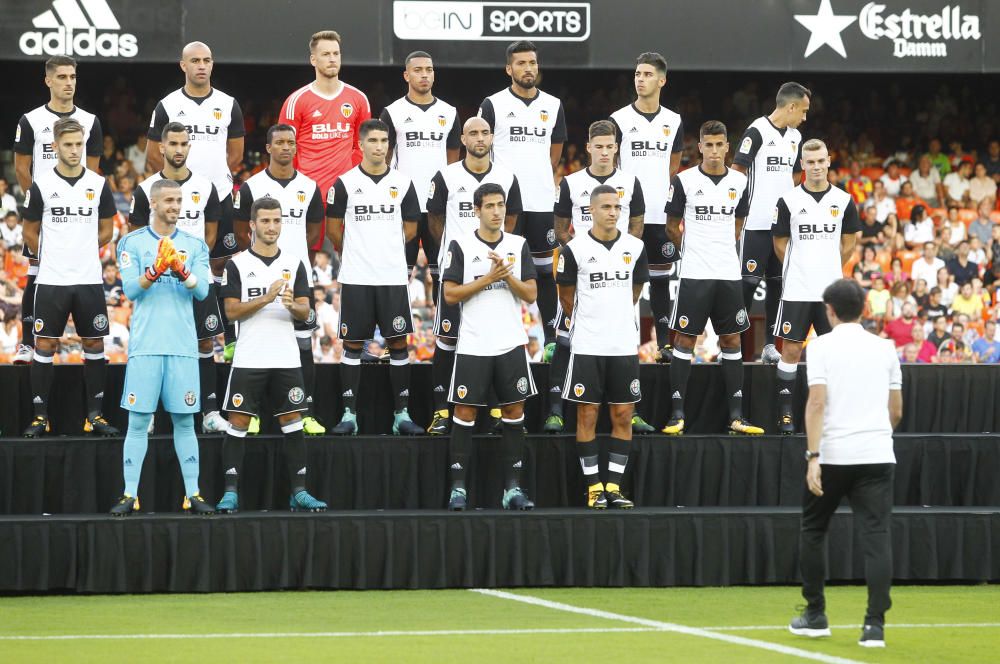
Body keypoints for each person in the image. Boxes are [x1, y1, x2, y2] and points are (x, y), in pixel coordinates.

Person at [789, 279, 902, 649]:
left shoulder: (820, 346)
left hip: (834, 455)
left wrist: (813, 456)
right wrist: (874, 435)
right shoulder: (886, 348)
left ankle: (816, 614)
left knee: (813, 529)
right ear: (864, 309)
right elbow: (896, 411)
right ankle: (875, 626)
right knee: (877, 537)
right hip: (877, 454)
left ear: (830, 310)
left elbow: (816, 403)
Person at [216, 198, 327, 513]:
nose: (272, 227)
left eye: (277, 220)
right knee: (238, 422)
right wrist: (266, 298)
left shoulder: (294, 263)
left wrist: (293, 306)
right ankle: (230, 492)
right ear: (252, 225)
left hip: (286, 358)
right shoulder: (237, 265)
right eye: (265, 221)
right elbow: (231, 312)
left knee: (293, 421)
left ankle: (299, 492)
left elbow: (306, 312)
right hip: (249, 357)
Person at [109, 179, 213, 515]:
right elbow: (130, 290)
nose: (175, 206)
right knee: (138, 421)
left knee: (185, 422)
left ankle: (193, 494)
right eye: (169, 200)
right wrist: (156, 269)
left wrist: (179, 269)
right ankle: (129, 494)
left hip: (183, 346)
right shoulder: (132, 242)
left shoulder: (194, 245)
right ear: (153, 203)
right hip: (146, 346)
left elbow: (202, 292)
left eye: (179, 200)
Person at [440, 183, 537, 511]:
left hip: (510, 342)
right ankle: (458, 490)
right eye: (490, 206)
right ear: (477, 210)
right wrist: (487, 278)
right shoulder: (461, 245)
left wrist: (506, 277)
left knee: (514, 412)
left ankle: (512, 489)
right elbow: (449, 295)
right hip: (474, 343)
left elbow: (531, 294)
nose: (497, 212)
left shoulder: (517, 244)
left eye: (501, 205)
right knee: (465, 413)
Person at [146, 41, 246, 356]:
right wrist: (182, 184)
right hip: (179, 199)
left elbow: (236, 154)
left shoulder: (228, 104)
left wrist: (209, 183)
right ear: (183, 65)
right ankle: (185, 333)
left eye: (207, 60)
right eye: (195, 60)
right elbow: (153, 155)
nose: (201, 65)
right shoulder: (167, 104)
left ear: (212, 64)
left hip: (218, 194)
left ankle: (228, 335)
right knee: (179, 262)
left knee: (222, 264)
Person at [551, 119, 651, 434]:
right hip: (582, 270)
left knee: (626, 341)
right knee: (565, 338)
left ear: (617, 148)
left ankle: (631, 411)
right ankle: (555, 410)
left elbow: (637, 226)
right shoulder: (571, 182)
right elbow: (559, 228)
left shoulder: (631, 182)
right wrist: (578, 256)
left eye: (610, 146)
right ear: (589, 148)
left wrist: (622, 254)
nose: (605, 152)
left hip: (618, 271)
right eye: (599, 147)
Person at [663, 121, 762, 436]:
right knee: (684, 340)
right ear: (700, 147)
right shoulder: (684, 181)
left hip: (728, 274)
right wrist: (693, 250)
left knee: (732, 340)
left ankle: (736, 417)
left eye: (720, 145)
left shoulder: (740, 182)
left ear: (727, 147)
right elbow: (671, 227)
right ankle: (677, 415)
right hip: (694, 274)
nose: (715, 151)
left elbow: (738, 225)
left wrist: (721, 250)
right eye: (709, 145)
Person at [424, 117, 522, 435]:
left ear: (492, 137)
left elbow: (512, 218)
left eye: (485, 133)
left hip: (495, 271)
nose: (480, 138)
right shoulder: (446, 176)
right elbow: (434, 220)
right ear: (463, 140)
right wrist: (453, 253)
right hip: (457, 272)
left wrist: (496, 248)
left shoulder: (507, 176)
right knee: (448, 340)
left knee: (494, 340)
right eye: (473, 133)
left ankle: (493, 411)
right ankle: (441, 411)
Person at [21, 118, 118, 438]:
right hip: (51, 279)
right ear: (55, 147)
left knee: (94, 343)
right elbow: (29, 232)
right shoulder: (41, 185)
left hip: (88, 278)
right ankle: (40, 417)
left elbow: (107, 230)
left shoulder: (98, 184)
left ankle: (95, 416)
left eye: (79, 144)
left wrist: (80, 249)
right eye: (68, 145)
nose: (75, 150)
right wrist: (54, 255)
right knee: (44, 344)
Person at [325, 119, 423, 435]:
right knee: (353, 343)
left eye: (384, 141)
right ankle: (349, 415)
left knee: (398, 342)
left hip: (392, 277)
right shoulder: (344, 183)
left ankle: (401, 415)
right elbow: (333, 231)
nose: (379, 147)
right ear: (361, 144)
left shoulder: (403, 183)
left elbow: (411, 230)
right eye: (373, 141)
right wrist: (358, 251)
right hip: (357, 276)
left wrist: (385, 251)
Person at [129, 122, 227, 433]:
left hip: (194, 280)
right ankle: (148, 412)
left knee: (204, 342)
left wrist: (190, 267)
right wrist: (157, 268)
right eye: (173, 143)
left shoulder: (206, 187)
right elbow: (135, 239)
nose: (179, 149)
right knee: (154, 344)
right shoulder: (145, 189)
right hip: (157, 282)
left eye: (184, 144)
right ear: (161, 147)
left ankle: (209, 412)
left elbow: (210, 236)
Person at [557, 184, 648, 508]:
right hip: (588, 345)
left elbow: (635, 290)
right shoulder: (574, 249)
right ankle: (594, 486)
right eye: (606, 207)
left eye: (617, 207)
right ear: (591, 210)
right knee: (587, 415)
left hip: (623, 345)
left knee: (623, 414)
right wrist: (592, 322)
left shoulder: (635, 247)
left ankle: (614, 486)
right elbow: (566, 298)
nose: (613, 212)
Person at [234, 124, 326, 435]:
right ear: (268, 148)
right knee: (254, 342)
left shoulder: (309, 186)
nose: (286, 147)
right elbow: (239, 231)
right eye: (280, 142)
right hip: (255, 275)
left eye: (291, 142)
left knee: (303, 344)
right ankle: (252, 413)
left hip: (296, 276)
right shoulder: (251, 187)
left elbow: (314, 233)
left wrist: (294, 263)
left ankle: (306, 411)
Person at [12, 55, 103, 365]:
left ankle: (90, 345)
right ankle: (27, 343)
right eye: (62, 77)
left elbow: (93, 172)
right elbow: (22, 169)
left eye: (72, 77)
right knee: (36, 271)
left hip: (77, 215)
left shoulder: (90, 122)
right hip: (45, 212)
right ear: (48, 80)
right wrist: (37, 207)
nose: (68, 83)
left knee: (80, 276)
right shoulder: (31, 120)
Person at [478, 40, 566, 354]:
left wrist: (537, 178)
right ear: (509, 69)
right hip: (504, 206)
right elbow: (480, 148)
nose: (528, 68)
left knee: (544, 273)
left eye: (532, 62)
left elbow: (554, 155)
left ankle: (552, 339)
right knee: (503, 271)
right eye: (521, 63)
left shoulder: (553, 105)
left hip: (541, 202)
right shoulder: (493, 104)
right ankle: (501, 338)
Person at [772, 139, 859, 434]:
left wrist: (827, 267)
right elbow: (780, 244)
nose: (816, 166)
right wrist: (801, 267)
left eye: (821, 161)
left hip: (830, 292)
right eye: (810, 162)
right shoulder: (788, 200)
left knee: (833, 353)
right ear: (802, 164)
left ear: (829, 161)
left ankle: (836, 415)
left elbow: (849, 244)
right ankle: (785, 413)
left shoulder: (844, 200)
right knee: (791, 350)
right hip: (797, 288)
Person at [609, 52, 683, 362]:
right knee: (621, 278)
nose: (640, 79)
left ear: (662, 80)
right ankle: (619, 341)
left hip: (659, 214)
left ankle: (664, 344)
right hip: (626, 216)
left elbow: (673, 167)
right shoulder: (619, 119)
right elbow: (611, 165)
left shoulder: (673, 121)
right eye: (638, 74)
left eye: (648, 74)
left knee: (661, 280)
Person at [731, 82, 810, 364]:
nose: (804, 117)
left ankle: (768, 346)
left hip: (781, 228)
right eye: (803, 111)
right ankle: (731, 344)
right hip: (755, 223)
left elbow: (795, 176)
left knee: (777, 286)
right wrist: (738, 211)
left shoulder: (795, 137)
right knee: (747, 285)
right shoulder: (757, 131)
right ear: (791, 106)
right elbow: (737, 170)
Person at [281, 30, 371, 247]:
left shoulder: (358, 99)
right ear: (313, 59)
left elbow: (363, 147)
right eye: (326, 54)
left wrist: (353, 181)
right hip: (308, 195)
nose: (332, 59)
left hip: (347, 195)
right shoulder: (296, 100)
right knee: (306, 255)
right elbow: (284, 149)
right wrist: (296, 185)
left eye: (336, 53)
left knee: (349, 254)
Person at [381, 50, 460, 290]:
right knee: (398, 275)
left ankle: (443, 316)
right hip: (404, 205)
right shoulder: (392, 112)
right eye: (418, 70)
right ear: (406, 75)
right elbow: (383, 161)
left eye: (429, 70)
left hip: (439, 206)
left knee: (443, 275)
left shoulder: (449, 113)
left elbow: (453, 163)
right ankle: (397, 316)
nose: (424, 75)